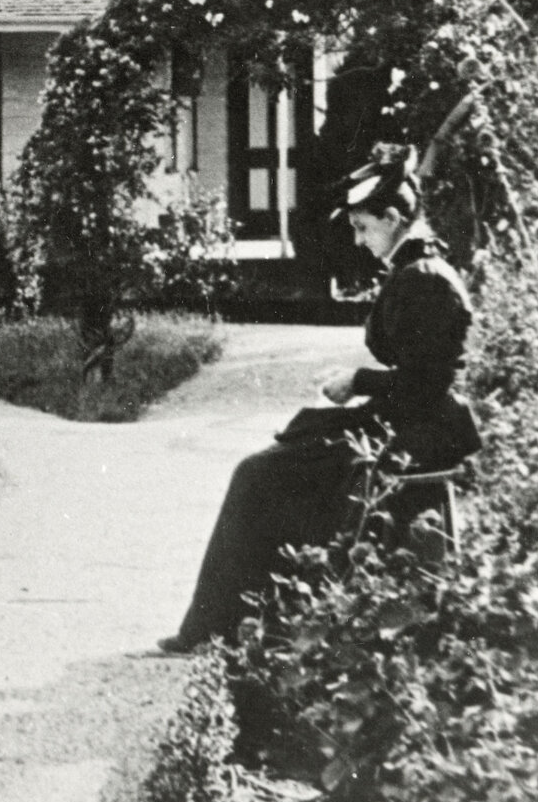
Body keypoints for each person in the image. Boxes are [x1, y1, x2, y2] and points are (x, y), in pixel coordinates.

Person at [156, 145, 482, 653]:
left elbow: (425, 385)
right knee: (275, 461)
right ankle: (243, 623)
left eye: (363, 227)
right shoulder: (419, 270)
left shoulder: (423, 278)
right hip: (414, 421)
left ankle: (227, 627)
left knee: (258, 475)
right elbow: (418, 376)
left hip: (419, 431)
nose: (358, 239)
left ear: (392, 219)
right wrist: (360, 383)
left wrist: (358, 381)